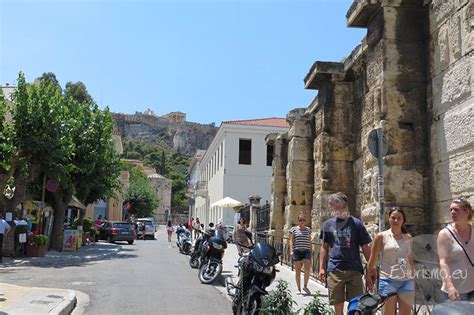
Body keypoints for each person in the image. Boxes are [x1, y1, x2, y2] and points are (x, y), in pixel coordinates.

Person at [318, 192, 372, 315]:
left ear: (341, 204)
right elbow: (324, 247)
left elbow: (365, 247)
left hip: (354, 270)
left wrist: (372, 267)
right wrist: (321, 267)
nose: (330, 207)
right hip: (335, 270)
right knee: (338, 307)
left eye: (332, 204)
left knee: (357, 307)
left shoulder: (357, 223)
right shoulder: (328, 224)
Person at [366, 207, 415, 315]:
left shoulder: (408, 238)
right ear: (389, 219)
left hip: (407, 281)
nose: (396, 221)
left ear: (403, 221)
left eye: (399, 218)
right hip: (388, 280)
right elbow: (373, 258)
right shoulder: (381, 236)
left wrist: (413, 277)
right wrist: (368, 276)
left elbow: (410, 259)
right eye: (393, 218)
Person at [437, 197, 473, 302]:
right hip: (456, 289)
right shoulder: (444, 234)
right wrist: (450, 287)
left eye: (456, 209)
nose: (452, 212)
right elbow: (443, 262)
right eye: (451, 210)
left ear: (467, 212)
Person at [290, 213, 312, 294]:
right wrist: (291, 250)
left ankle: (305, 286)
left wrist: (310, 250)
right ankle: (298, 288)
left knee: (307, 270)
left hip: (306, 251)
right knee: (298, 271)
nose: (302, 221)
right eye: (300, 220)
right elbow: (291, 240)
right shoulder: (294, 229)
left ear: (305, 221)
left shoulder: (308, 230)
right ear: (298, 221)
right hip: (297, 251)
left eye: (303, 220)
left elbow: (309, 241)